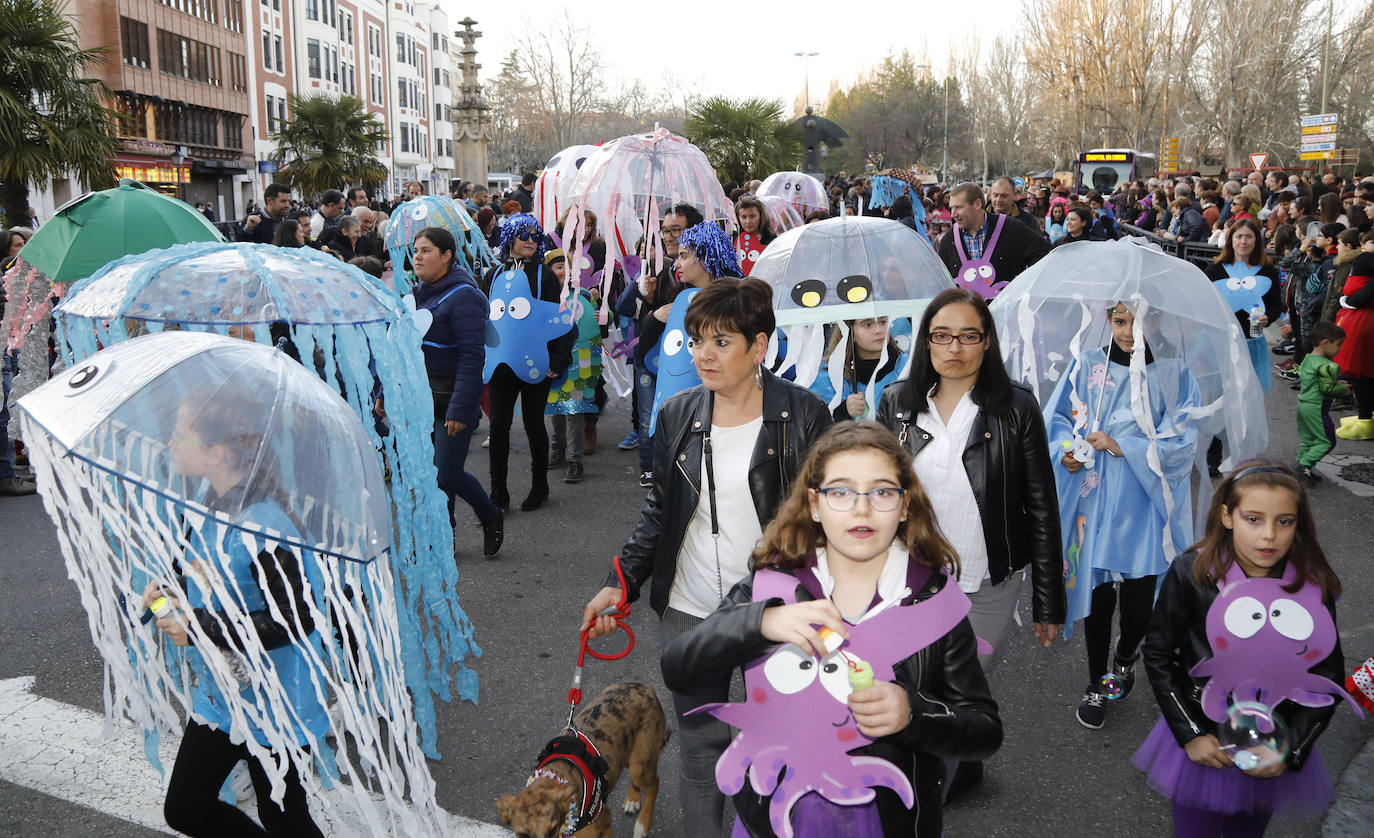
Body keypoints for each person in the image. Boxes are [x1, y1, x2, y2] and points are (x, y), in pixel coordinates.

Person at [660, 421, 1002, 837]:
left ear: (906, 505)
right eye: (840, 491)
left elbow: (983, 730)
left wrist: (914, 715)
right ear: (815, 504)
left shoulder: (933, 601)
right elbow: (679, 667)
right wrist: (759, 623)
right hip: (774, 818)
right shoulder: (771, 587)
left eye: (882, 492)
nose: (862, 509)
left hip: (887, 820)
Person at [581, 278, 832, 838]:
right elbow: (660, 513)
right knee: (699, 752)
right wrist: (618, 581)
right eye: (696, 340)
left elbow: (831, 524)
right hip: (690, 607)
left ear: (760, 346)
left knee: (779, 751)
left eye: (721, 341)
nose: (702, 355)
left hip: (777, 613)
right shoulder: (677, 412)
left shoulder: (807, 416)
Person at [875, 287, 1063, 797]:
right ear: (926, 343)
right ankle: (943, 772)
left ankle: (932, 789)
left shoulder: (1016, 408)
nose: (954, 347)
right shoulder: (896, 402)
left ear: (986, 343)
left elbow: (1042, 505)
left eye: (968, 336)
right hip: (909, 580)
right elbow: (876, 491)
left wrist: (1049, 601)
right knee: (912, 687)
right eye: (942, 336)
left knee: (959, 688)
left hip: (987, 581)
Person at [1135, 461, 1348, 837]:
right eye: (1254, 519)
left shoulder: (1312, 586)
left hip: (1272, 743)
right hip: (1207, 738)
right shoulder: (1192, 572)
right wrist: (1191, 734)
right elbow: (1158, 654)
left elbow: (1327, 674)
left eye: (1284, 521)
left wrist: (1293, 748)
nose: (1269, 536)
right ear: (1227, 516)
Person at [150, 392, 327, 837]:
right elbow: (198, 569)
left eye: (180, 434)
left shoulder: (264, 525)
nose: (171, 442)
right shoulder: (211, 500)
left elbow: (296, 618)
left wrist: (199, 627)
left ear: (219, 451)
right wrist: (164, 591)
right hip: (225, 693)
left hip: (278, 698)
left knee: (285, 817)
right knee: (186, 808)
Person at [1047, 302, 1200, 730]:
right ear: (1107, 320)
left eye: (1139, 319)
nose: (1129, 331)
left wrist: (1122, 446)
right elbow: (1057, 419)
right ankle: (1097, 682)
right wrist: (1066, 451)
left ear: (1157, 319)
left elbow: (1184, 439)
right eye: (1120, 320)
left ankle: (1126, 653)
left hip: (1142, 506)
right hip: (1092, 503)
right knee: (1096, 597)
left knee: (1138, 607)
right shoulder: (1085, 365)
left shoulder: (1173, 373)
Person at [397, 226, 504, 557]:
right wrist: (387, 394)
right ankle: (445, 535)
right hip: (418, 400)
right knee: (430, 474)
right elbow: (400, 351)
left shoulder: (465, 297)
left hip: (451, 401)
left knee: (446, 473)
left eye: (426, 250)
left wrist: (461, 409)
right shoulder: (414, 295)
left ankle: (489, 514)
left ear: (447, 256)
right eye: (415, 250)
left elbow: (473, 358)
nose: (418, 256)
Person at [481, 213, 575, 512]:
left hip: (537, 361)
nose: (532, 242)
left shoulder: (544, 275)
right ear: (510, 238)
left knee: (534, 423)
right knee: (498, 426)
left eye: (536, 236)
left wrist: (559, 359)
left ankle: (539, 486)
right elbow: (487, 319)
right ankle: (498, 491)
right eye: (525, 236)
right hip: (501, 363)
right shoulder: (493, 275)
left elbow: (559, 319)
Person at [614, 204, 705, 487]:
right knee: (649, 418)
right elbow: (627, 313)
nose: (668, 236)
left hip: (687, 368)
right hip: (651, 362)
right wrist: (649, 300)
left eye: (676, 230)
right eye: (665, 230)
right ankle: (650, 467)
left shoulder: (706, 282)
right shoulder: (656, 271)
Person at [543, 249, 603, 484]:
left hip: (579, 360)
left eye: (564, 266)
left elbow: (602, 317)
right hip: (552, 360)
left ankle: (575, 459)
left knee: (574, 410)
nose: (561, 271)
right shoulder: (543, 297)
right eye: (556, 266)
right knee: (555, 408)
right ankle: (558, 449)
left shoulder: (585, 295)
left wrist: (604, 314)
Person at [938, 182, 1049, 297]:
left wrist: (1024, 284)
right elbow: (941, 281)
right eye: (951, 208)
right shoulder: (948, 240)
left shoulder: (1011, 228)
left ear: (977, 204)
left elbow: (1043, 252)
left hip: (1006, 311)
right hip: (966, 313)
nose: (953, 214)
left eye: (959, 207)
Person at [811, 316, 906, 421]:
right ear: (849, 331)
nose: (879, 330)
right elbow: (814, 420)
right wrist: (843, 410)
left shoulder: (909, 366)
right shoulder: (827, 374)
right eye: (867, 325)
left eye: (883, 322)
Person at [0, 228, 35, 495]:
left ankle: (9, 470)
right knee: (4, 412)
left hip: (11, 344)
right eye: (17, 245)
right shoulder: (6, 275)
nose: (22, 249)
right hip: (4, 346)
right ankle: (6, 475)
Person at [1296, 320, 1351, 481]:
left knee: (1309, 438)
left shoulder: (1308, 359)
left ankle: (1301, 464)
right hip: (1317, 408)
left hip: (1303, 404)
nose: (1340, 349)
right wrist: (1343, 390)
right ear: (1325, 343)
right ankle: (1304, 465)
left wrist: (1335, 383)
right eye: (1338, 345)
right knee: (1326, 441)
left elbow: (1315, 381)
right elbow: (1326, 389)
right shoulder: (1329, 366)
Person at [1332, 250, 1374, 440]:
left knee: (1362, 373)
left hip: (1365, 324)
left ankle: (1366, 420)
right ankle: (1365, 416)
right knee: (1361, 374)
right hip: (1359, 321)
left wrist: (1350, 301)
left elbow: (1365, 293)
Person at [733, 194, 774, 277]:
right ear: (738, 218)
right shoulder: (734, 239)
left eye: (752, 216)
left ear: (761, 216)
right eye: (743, 217)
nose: (748, 221)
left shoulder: (772, 241)